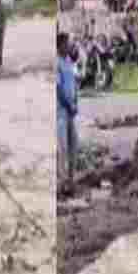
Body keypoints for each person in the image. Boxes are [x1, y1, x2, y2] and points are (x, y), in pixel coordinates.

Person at [57, 32, 79, 177]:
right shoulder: (57, 62)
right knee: (63, 147)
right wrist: (69, 106)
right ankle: (62, 181)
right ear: (60, 45)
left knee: (73, 145)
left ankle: (71, 179)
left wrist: (75, 103)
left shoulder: (69, 62)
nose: (70, 45)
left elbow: (74, 85)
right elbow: (58, 89)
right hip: (61, 111)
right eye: (67, 43)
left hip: (71, 109)